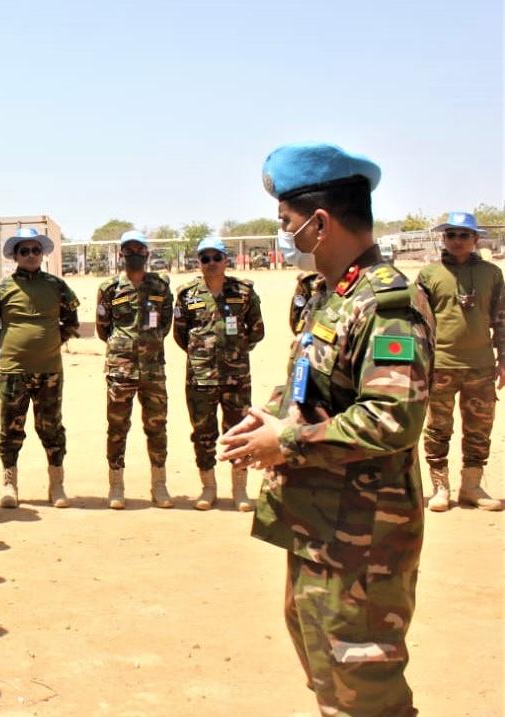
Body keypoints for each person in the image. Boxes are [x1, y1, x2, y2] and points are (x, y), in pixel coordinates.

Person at [220, 141, 432, 717]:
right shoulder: (332, 294)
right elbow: (319, 384)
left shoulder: (386, 303)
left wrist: (285, 441)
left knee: (364, 687)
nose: (283, 235)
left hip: (364, 535)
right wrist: (272, 417)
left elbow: (391, 416)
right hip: (321, 523)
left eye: (285, 222)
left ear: (318, 223)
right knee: (331, 677)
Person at [0, 227, 80, 508]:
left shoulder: (58, 286)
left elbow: (71, 321)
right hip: (13, 371)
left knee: (51, 427)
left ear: (42, 254)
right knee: (10, 428)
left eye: (36, 250)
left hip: (49, 370)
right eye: (24, 251)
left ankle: (56, 484)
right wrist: (11, 345)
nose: (31, 255)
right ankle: (9, 484)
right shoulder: (0, 290)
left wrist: (50, 343)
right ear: (15, 256)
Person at [416, 211, 505, 511]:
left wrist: (503, 360)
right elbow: (418, 324)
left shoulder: (492, 274)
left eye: (463, 235)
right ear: (444, 239)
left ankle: (471, 486)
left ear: (475, 239)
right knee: (438, 429)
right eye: (450, 235)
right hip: (440, 366)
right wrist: (419, 364)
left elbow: (502, 319)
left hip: (481, 366)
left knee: (479, 429)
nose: (457, 240)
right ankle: (440, 487)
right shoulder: (429, 275)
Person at [172, 236, 264, 511]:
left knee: (239, 431)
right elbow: (180, 334)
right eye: (205, 258)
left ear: (226, 260)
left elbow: (256, 329)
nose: (211, 263)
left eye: (216, 257)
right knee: (203, 433)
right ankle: (208, 488)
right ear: (199, 262)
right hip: (200, 377)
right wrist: (202, 352)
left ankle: (240, 489)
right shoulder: (187, 294)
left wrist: (234, 351)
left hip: (236, 377)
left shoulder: (244, 292)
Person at [96, 230, 173, 509]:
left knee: (157, 427)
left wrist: (148, 345)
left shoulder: (160, 286)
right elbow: (103, 328)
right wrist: (124, 348)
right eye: (129, 250)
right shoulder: (109, 288)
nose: (134, 254)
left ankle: (159, 485)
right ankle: (116, 485)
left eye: (139, 250)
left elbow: (165, 324)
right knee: (117, 427)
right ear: (121, 254)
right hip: (121, 370)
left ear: (147, 253)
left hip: (153, 370)